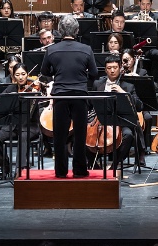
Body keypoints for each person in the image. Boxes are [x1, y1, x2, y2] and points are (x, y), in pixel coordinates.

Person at [40, 15, 98, 178]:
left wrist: (57, 72)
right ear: (77, 30)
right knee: (80, 134)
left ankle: (61, 171)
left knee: (60, 135)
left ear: (59, 31)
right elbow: (94, 73)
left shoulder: (52, 49)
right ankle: (79, 170)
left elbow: (44, 72)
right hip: (80, 95)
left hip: (60, 95)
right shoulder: (86, 49)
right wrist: (83, 80)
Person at [93, 54, 144, 171]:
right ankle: (94, 164)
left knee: (128, 135)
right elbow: (90, 104)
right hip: (101, 120)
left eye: (115, 67)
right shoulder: (97, 84)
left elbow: (139, 106)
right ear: (105, 69)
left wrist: (124, 93)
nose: (112, 70)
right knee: (84, 133)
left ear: (120, 68)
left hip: (121, 121)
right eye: (109, 68)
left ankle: (114, 165)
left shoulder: (128, 86)